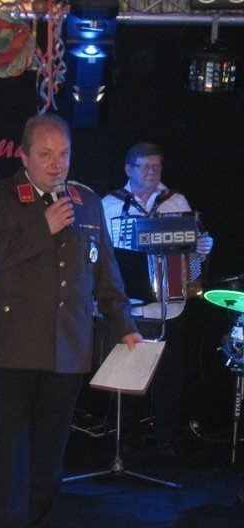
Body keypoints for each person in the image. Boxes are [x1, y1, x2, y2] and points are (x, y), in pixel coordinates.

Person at [0, 114, 142, 528]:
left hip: (68, 346)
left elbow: (104, 272)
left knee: (50, 452)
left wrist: (124, 325)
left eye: (63, 153)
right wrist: (41, 225)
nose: (56, 163)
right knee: (8, 453)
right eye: (45, 154)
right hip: (12, 349)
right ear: (23, 155)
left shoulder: (87, 202)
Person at [102, 142, 214, 455]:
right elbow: (97, 252)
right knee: (128, 375)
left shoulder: (175, 201)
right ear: (129, 169)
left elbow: (196, 247)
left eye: (157, 166)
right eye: (146, 167)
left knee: (171, 375)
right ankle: (126, 438)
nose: (152, 173)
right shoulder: (110, 204)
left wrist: (203, 249)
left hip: (170, 304)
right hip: (131, 306)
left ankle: (166, 439)